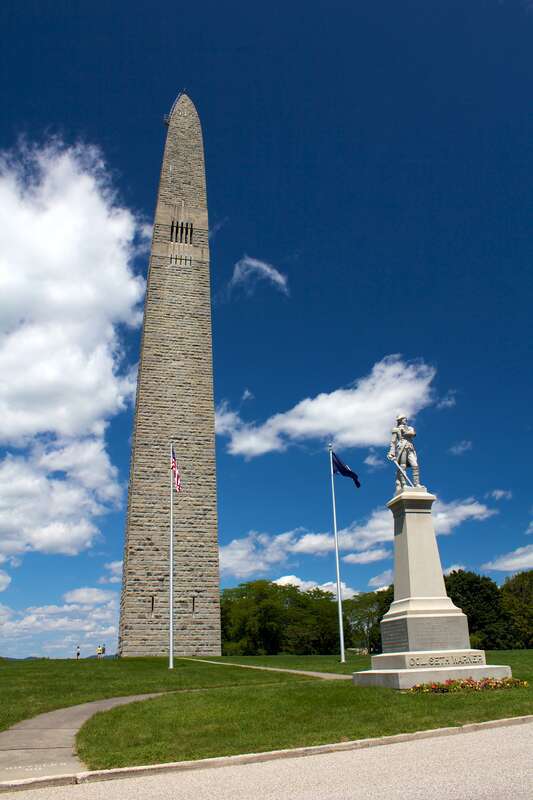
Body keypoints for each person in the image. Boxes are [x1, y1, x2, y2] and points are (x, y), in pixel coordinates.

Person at [387, 413, 421, 493]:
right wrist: (391, 452)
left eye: (405, 419)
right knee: (402, 466)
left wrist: (405, 431)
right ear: (400, 420)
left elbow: (413, 434)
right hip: (401, 448)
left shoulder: (410, 428)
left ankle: (417, 484)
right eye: (404, 419)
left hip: (410, 447)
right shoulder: (396, 429)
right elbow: (393, 442)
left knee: (415, 465)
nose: (406, 420)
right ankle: (404, 484)